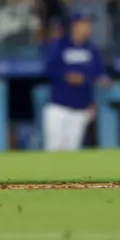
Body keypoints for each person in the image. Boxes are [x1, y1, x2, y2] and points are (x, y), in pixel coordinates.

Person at [42, 12, 107, 151]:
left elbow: (99, 73)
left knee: (72, 150)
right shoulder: (60, 45)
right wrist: (67, 75)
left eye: (89, 24)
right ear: (74, 25)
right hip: (59, 106)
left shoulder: (92, 50)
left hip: (80, 107)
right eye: (84, 23)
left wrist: (87, 78)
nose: (88, 27)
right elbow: (49, 69)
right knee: (53, 147)